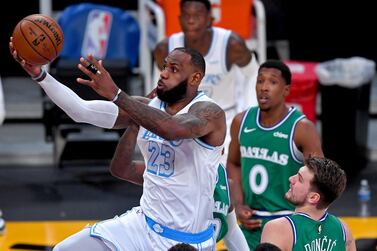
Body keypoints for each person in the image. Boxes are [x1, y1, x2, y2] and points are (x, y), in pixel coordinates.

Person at [10, 41, 226, 250]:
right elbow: (80, 111)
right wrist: (40, 75)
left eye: (174, 69)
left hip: (186, 240)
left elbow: (171, 129)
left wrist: (116, 94)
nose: (163, 73)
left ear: (195, 78)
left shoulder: (209, 113)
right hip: (143, 225)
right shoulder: (145, 107)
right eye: (164, 66)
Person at [109, 119, 249, 250]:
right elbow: (122, 168)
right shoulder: (170, 172)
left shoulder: (224, 178)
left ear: (220, 151)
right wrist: (134, 126)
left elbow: (231, 230)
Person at [227, 60, 324, 250]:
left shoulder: (301, 128)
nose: (264, 87)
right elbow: (233, 163)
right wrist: (238, 204)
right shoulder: (241, 121)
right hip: (251, 224)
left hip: (288, 223)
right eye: (260, 81)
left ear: (286, 90)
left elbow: (321, 180)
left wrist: (305, 222)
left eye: (272, 82)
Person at [154, 0, 259, 162]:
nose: (191, 20)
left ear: (211, 18)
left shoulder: (232, 44)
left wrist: (249, 115)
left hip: (224, 120)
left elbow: (253, 75)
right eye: (187, 16)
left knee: (222, 177)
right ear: (180, 19)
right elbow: (159, 89)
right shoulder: (165, 48)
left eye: (197, 15)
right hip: (181, 123)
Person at [260, 156, 356, 251]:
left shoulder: (278, 229)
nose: (291, 179)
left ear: (313, 197)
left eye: (300, 179)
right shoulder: (344, 230)